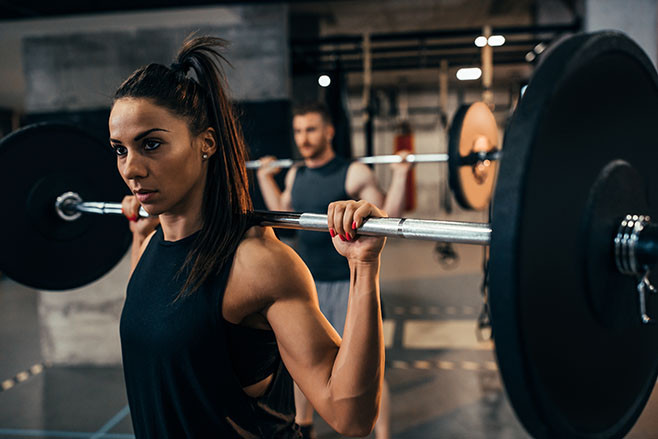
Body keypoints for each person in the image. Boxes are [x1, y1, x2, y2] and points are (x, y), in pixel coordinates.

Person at [113, 35, 387, 438]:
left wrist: (364, 266)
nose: (131, 168)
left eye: (151, 144)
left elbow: (352, 416)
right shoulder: (151, 245)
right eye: (120, 150)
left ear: (206, 143)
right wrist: (140, 236)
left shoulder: (257, 261)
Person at [256, 102, 412, 439]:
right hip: (306, 284)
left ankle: (381, 435)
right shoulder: (297, 174)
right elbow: (284, 215)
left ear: (328, 131)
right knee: (301, 364)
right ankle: (304, 428)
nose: (304, 138)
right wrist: (263, 178)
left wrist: (400, 175)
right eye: (298, 131)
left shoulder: (352, 172)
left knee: (366, 368)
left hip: (347, 283)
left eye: (311, 130)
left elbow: (388, 215)